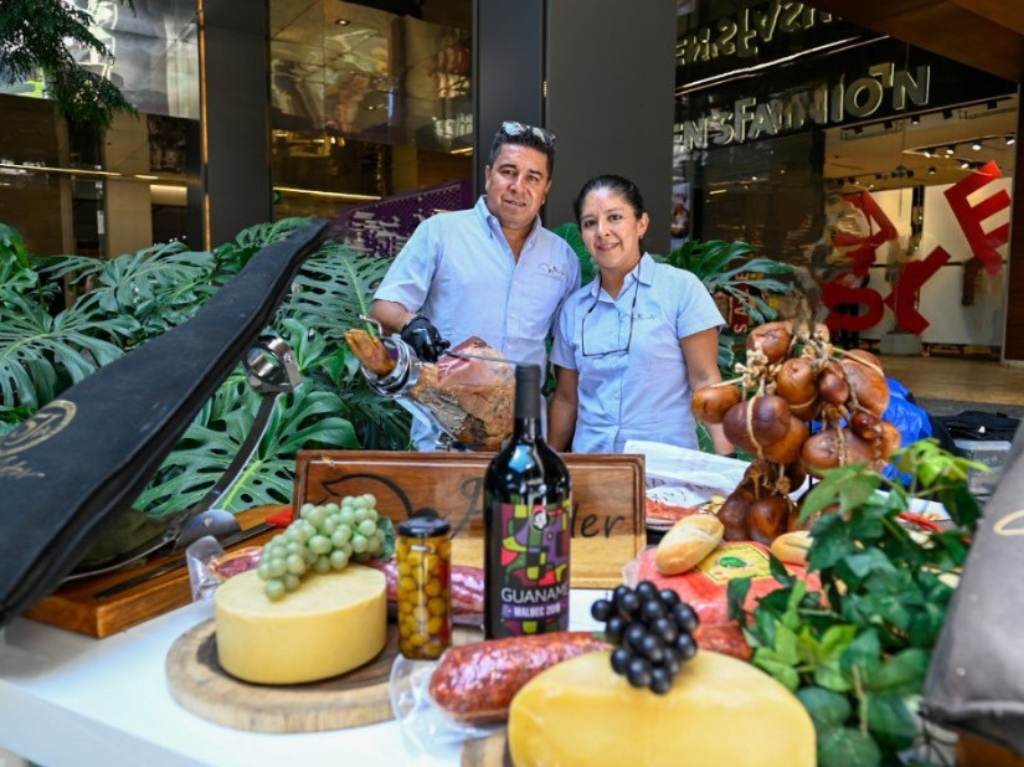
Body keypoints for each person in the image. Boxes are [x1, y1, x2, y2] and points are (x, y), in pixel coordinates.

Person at [370, 121, 581, 450]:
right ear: (488, 176)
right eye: (508, 172)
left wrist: (552, 450)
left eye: (532, 178)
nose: (518, 186)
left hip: (526, 440)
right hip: (445, 433)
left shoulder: (564, 258)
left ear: (546, 190)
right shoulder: (441, 232)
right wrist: (412, 323)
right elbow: (384, 307)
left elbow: (567, 362)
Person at [548, 175, 733, 455]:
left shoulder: (680, 289)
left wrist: (727, 461)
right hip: (594, 470)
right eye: (590, 223)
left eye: (614, 217)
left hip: (666, 470)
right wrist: (548, 459)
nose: (602, 231)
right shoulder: (575, 309)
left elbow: (706, 380)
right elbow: (566, 398)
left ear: (641, 224)